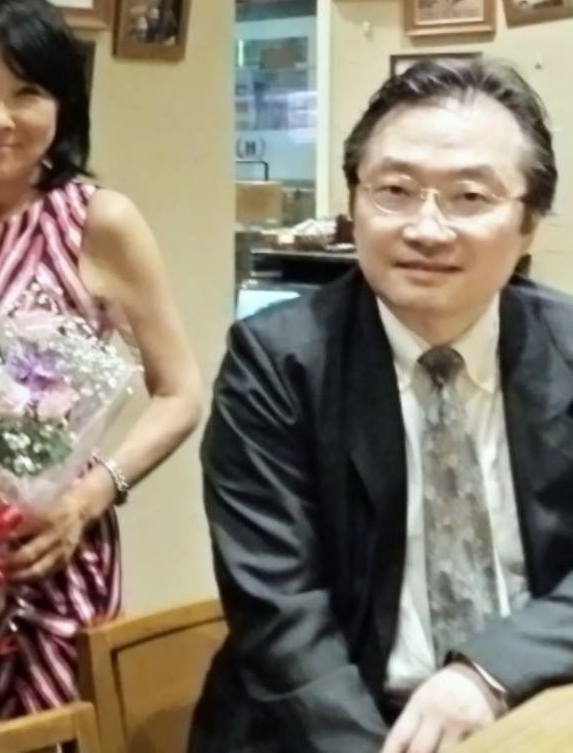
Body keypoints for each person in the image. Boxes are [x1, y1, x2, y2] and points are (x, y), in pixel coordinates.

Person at [192, 58, 573, 753]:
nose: (426, 229)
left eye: (468, 197)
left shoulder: (568, 349)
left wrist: (489, 672)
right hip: (329, 729)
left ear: (528, 225)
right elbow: (281, 617)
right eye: (395, 191)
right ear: (354, 204)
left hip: (526, 709)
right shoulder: (276, 363)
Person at [0, 0, 203, 749]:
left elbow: (181, 392)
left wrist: (86, 500)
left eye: (27, 92)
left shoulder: (98, 221)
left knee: (50, 732)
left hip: (50, 547)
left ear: (64, 105)